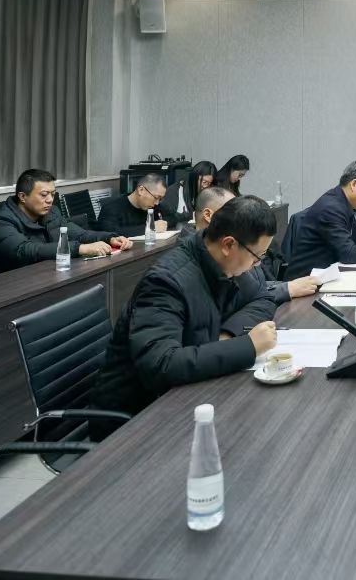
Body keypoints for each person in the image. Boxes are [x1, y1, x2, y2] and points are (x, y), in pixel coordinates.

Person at [88, 194, 285, 438]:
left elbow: (263, 296)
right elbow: (161, 365)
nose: (258, 265)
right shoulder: (166, 282)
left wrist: (227, 335)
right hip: (135, 423)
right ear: (228, 245)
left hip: (189, 400)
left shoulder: (227, 264)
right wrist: (247, 346)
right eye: (257, 257)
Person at [0, 169, 130, 277]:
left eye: (52, 194)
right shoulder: (0, 221)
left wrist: (109, 238)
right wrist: (80, 249)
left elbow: (79, 234)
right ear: (22, 197)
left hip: (37, 277)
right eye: (44, 195)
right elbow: (25, 250)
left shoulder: (51, 212)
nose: (50, 200)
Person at [194, 186, 317, 305]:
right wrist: (286, 289)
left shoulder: (242, 247)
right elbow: (236, 300)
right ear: (208, 215)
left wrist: (286, 286)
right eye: (229, 209)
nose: (237, 214)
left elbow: (255, 288)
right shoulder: (198, 257)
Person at [286, 160, 356, 278]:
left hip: (326, 275)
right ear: (354, 184)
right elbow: (348, 253)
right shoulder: (332, 208)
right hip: (305, 281)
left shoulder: (343, 202)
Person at [97, 173, 174, 237]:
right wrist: (149, 227)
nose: (157, 203)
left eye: (160, 199)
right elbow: (108, 233)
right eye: (156, 197)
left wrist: (162, 224)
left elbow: (173, 218)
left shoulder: (154, 206)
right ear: (141, 190)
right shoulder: (112, 208)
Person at [162, 160, 216, 226]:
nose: (205, 186)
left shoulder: (209, 193)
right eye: (204, 182)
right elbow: (165, 219)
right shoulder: (174, 191)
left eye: (209, 183)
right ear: (194, 178)